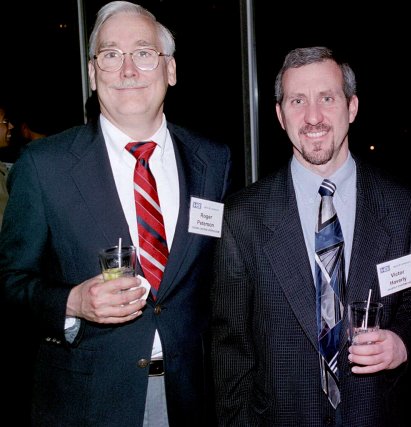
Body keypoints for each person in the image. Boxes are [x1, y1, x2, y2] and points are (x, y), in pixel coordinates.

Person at [0, 1, 232, 426]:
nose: (128, 70)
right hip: (88, 402)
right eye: (110, 55)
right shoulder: (44, 166)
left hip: (191, 397)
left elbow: (221, 280)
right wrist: (71, 302)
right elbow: (10, 282)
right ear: (93, 74)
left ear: (170, 69)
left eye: (143, 53)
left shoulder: (213, 161)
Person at [210, 46, 411, 426]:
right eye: (298, 101)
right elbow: (230, 349)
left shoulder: (407, 208)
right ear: (280, 115)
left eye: (327, 98)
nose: (313, 117)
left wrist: (401, 341)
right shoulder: (242, 217)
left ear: (352, 107)